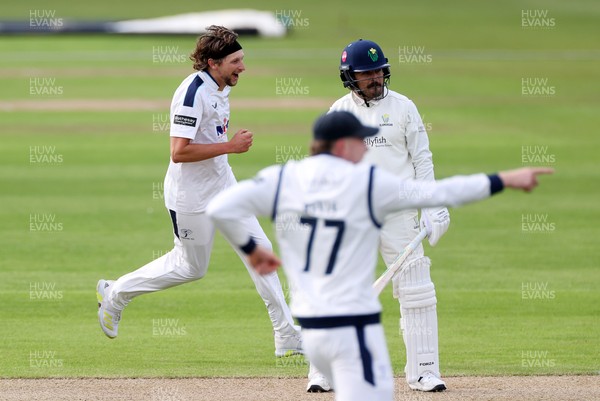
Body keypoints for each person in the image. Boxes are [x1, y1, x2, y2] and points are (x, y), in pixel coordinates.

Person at [205, 111, 553, 401]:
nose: (366, 148)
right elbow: (443, 191)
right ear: (343, 146)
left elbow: (220, 206)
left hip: (311, 334)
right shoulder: (368, 183)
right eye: (361, 141)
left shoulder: (283, 178)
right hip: (353, 330)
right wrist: (504, 179)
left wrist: (253, 250)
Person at [96, 25, 302, 357]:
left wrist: (226, 151)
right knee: (192, 268)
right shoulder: (192, 94)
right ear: (213, 62)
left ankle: (287, 334)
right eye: (235, 61)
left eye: (242, 59)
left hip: (224, 186)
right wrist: (231, 146)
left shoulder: (222, 85)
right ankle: (116, 294)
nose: (243, 67)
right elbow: (179, 151)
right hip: (190, 197)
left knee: (260, 251)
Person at [326, 38, 449, 392]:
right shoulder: (338, 113)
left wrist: (433, 206)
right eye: (366, 73)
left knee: (416, 289)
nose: (375, 77)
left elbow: (422, 159)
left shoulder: (404, 107)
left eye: (379, 70)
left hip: (399, 211)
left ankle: (424, 371)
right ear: (350, 77)